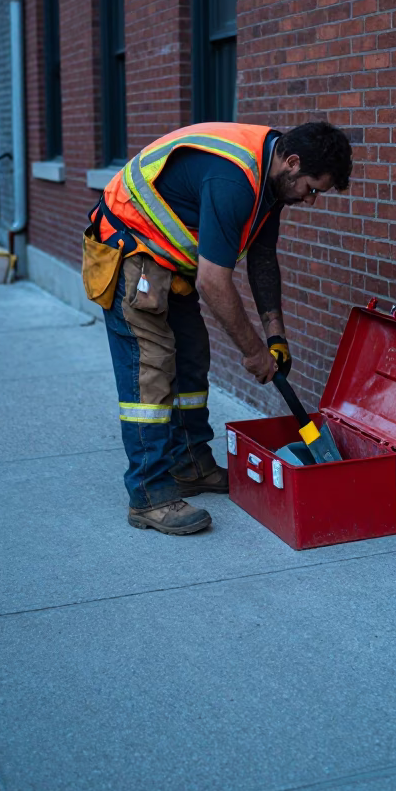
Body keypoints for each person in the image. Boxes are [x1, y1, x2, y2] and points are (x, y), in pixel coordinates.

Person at [84, 120, 352, 536]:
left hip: (169, 263)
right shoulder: (235, 180)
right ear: (293, 162)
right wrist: (253, 352)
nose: (311, 200)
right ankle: (148, 494)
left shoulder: (271, 180)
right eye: (312, 188)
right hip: (130, 253)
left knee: (192, 359)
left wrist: (275, 336)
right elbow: (213, 281)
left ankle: (190, 464)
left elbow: (262, 257)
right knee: (150, 371)